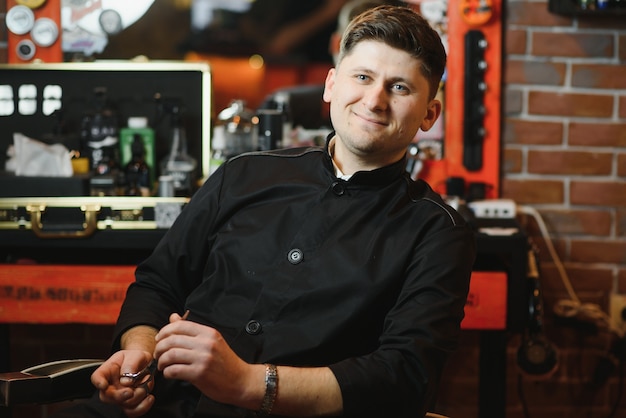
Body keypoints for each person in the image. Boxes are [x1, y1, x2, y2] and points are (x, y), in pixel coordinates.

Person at [54, 5, 476, 418]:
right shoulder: (243, 174)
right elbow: (157, 284)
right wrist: (138, 358)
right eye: (362, 77)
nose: (375, 99)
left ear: (429, 114)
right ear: (331, 84)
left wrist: (246, 383)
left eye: (399, 87)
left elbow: (404, 379)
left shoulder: (438, 232)